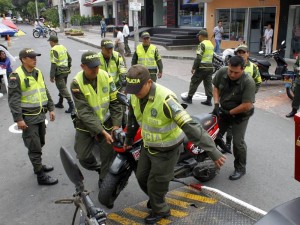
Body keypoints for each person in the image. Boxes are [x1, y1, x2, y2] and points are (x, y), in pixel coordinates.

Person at [124, 64, 226, 224]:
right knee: (142, 177)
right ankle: (155, 198)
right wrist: (128, 139)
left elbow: (190, 125)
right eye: (132, 89)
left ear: (149, 82)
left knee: (156, 184)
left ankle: (161, 210)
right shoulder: (134, 96)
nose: (135, 93)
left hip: (167, 149)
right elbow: (132, 120)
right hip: (149, 145)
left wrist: (213, 151)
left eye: (138, 89)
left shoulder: (165, 99)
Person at [70, 51, 122, 187]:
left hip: (107, 121)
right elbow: (85, 112)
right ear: (82, 66)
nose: (96, 70)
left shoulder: (106, 76)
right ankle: (98, 168)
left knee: (107, 156)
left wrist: (116, 125)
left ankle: (103, 178)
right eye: (92, 67)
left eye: (97, 66)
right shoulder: (76, 83)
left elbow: (115, 103)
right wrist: (101, 131)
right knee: (83, 157)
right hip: (85, 125)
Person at [8, 48, 58, 185]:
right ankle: (40, 176)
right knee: (34, 146)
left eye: (35, 57)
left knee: (40, 142)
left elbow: (44, 90)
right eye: (31, 57)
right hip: (28, 118)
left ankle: (38, 165)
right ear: (23, 59)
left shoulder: (38, 72)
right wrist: (18, 119)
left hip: (40, 115)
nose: (35, 59)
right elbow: (13, 100)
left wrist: (51, 108)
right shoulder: (16, 76)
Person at [212, 56, 255, 181]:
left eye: (236, 72)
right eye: (230, 70)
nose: (232, 74)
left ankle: (240, 168)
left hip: (241, 115)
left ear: (243, 69)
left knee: (238, 142)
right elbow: (215, 87)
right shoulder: (222, 71)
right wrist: (216, 104)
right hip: (224, 110)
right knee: (212, 135)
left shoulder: (248, 82)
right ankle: (210, 162)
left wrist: (230, 112)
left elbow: (247, 105)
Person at [225, 44, 262, 149]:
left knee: (239, 122)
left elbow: (258, 82)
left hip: (244, 102)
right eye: (238, 52)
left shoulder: (253, 67)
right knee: (229, 120)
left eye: (243, 52)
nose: (240, 54)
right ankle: (228, 142)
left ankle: (238, 141)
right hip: (232, 99)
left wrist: (250, 94)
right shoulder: (232, 65)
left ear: (248, 54)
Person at [98, 38, 127, 127]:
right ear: (102, 48)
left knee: (121, 109)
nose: (110, 51)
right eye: (107, 49)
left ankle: (124, 128)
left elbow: (123, 73)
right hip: (103, 90)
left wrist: (123, 90)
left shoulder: (117, 56)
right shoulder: (97, 58)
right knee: (104, 109)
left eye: (111, 48)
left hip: (117, 88)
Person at [181, 30, 214, 105]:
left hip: (202, 67)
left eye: (199, 36)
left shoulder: (202, 44)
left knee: (194, 81)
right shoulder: (211, 44)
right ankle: (209, 100)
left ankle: (189, 98)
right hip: (209, 67)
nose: (198, 37)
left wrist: (194, 67)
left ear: (202, 36)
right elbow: (212, 57)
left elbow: (199, 57)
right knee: (208, 83)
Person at [48, 35, 74, 113]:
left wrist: (51, 76)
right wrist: (68, 67)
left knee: (62, 88)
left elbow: (54, 64)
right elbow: (70, 58)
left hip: (59, 72)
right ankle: (60, 103)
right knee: (62, 87)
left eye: (49, 41)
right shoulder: (63, 47)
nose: (49, 43)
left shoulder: (54, 49)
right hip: (66, 71)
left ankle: (72, 106)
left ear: (52, 42)